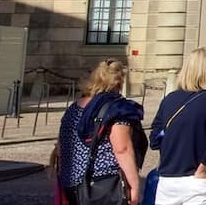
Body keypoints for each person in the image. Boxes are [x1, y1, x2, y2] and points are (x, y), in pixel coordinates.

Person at [54, 59, 145, 205]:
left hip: (72, 185)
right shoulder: (116, 109)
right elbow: (122, 149)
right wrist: (134, 186)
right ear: (119, 82)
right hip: (104, 185)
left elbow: (60, 148)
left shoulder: (74, 108)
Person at [149, 48, 206, 205]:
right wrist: (202, 168)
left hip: (168, 177)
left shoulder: (169, 100)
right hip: (198, 177)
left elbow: (154, 140)